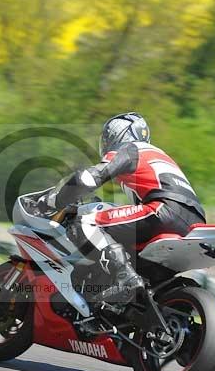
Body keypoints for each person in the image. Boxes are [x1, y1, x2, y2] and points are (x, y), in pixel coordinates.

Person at [40, 112, 206, 311]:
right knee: (131, 250)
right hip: (195, 220)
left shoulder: (130, 149)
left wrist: (55, 198)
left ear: (117, 134)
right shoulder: (160, 157)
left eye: (108, 136)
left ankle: (124, 278)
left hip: (164, 210)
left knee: (83, 221)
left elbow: (92, 177)